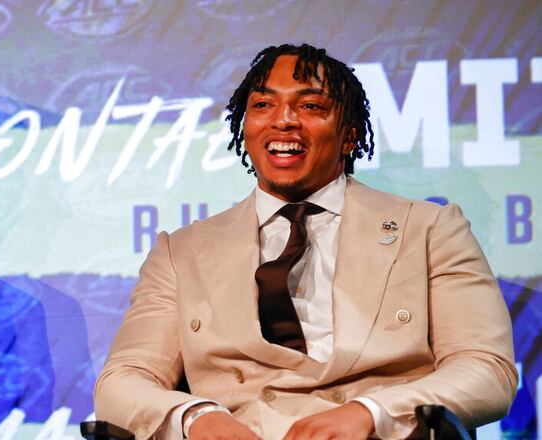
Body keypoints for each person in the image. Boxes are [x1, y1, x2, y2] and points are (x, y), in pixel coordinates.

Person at [94, 43, 517, 439]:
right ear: (245, 130)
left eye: (310, 105)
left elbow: (487, 370)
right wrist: (196, 418)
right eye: (263, 105)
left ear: (350, 136)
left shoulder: (429, 229)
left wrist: (372, 412)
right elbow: (122, 382)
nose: (283, 119)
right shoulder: (181, 251)